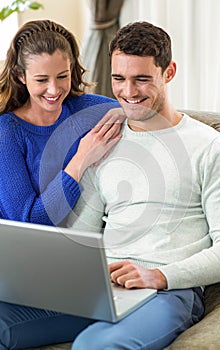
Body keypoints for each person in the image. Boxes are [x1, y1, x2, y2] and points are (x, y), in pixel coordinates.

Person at [66, 21, 220, 349]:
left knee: (93, 346)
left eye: (142, 79)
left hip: (166, 293)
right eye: (119, 78)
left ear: (169, 72)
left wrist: (159, 276)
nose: (128, 92)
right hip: (100, 287)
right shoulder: (103, 142)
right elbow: (80, 236)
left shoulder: (212, 148)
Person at [0, 19, 124, 349]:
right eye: (41, 79)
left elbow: (147, 114)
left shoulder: (94, 110)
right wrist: (81, 158)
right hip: (16, 268)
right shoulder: (7, 131)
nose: (54, 90)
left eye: (62, 76)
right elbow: (30, 220)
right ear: (20, 77)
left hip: (65, 273)